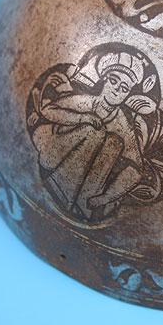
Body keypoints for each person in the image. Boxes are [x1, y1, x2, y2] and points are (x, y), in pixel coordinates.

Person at [31, 51, 146, 220]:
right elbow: (48, 110)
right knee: (95, 131)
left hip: (86, 192)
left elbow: (136, 168)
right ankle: (58, 188)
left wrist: (106, 197)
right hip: (53, 154)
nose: (116, 90)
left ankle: (82, 205)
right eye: (114, 81)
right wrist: (82, 118)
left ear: (128, 94)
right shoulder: (87, 102)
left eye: (124, 88)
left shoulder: (122, 123)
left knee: (114, 142)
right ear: (104, 79)